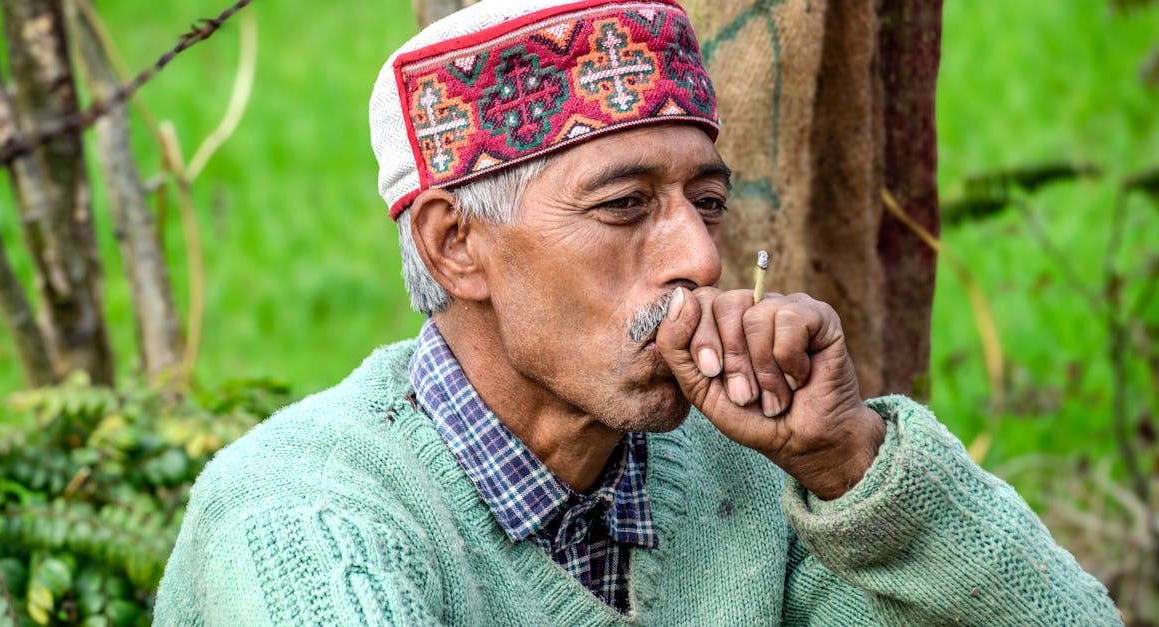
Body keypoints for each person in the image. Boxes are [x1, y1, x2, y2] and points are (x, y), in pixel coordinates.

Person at [154, 0, 1122, 624]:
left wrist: (848, 464)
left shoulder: (746, 479)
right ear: (455, 245)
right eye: (625, 207)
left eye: (708, 202)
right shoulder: (308, 516)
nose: (699, 258)